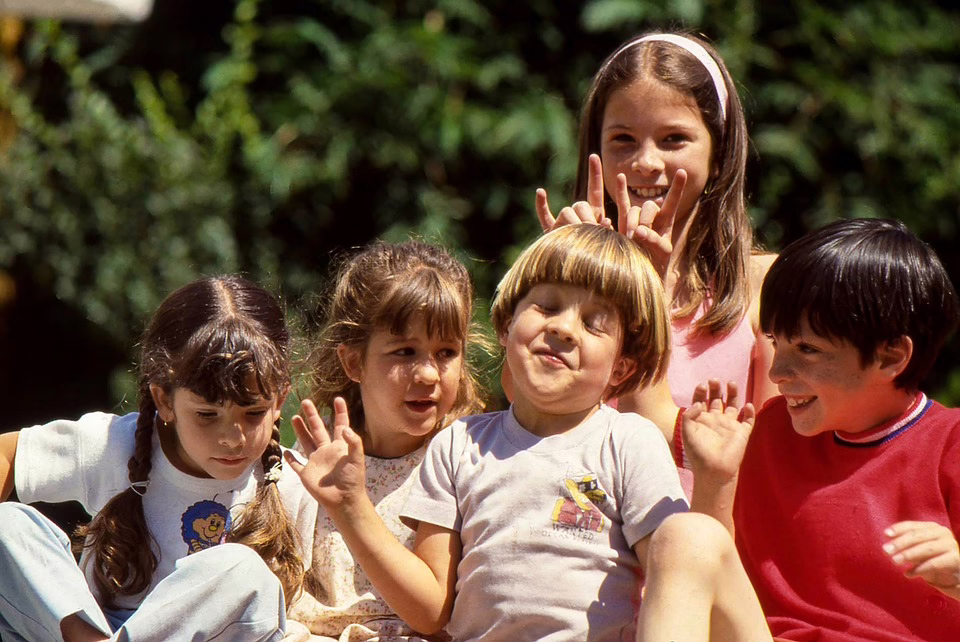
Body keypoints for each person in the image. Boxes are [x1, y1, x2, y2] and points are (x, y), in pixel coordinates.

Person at [288, 224, 689, 641]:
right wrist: (351, 504)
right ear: (507, 326)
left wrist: (717, 479)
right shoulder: (459, 446)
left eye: (593, 323)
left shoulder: (629, 442)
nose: (565, 328)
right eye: (548, 307)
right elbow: (431, 608)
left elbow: (688, 567)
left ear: (622, 367)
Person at [673, 218, 960, 641]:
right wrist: (715, 478)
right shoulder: (764, 433)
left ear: (890, 358)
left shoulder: (950, 443)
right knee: (683, 535)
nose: (778, 371)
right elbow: (711, 578)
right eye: (776, 342)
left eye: (807, 349)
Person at [0, 275, 318, 642]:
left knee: (243, 569)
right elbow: (9, 454)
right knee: (7, 524)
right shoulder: (112, 445)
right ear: (165, 400)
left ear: (279, 401)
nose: (233, 438)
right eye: (207, 415)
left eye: (253, 413)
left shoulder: (297, 483)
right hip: (96, 629)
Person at [534, 31, 778, 428]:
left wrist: (638, 294)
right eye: (623, 139)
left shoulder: (768, 286)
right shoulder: (565, 272)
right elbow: (527, 411)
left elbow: (776, 462)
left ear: (719, 152)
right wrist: (558, 282)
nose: (646, 161)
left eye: (674, 139)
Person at [284, 240, 487, 641]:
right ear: (354, 362)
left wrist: (351, 505)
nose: (428, 374)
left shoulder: (464, 460)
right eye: (405, 351)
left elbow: (430, 612)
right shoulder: (317, 458)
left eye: (446, 352)